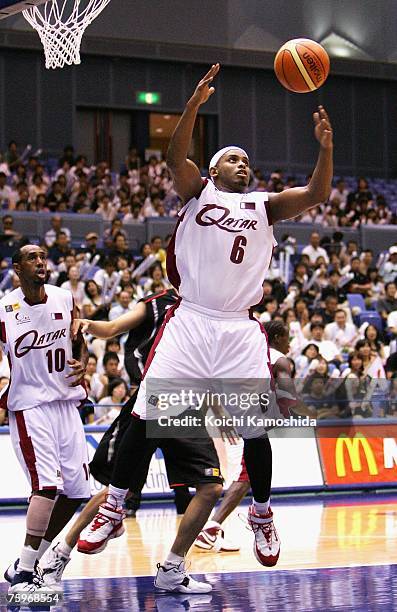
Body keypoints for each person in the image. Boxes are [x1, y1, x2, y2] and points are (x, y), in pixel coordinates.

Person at [80, 62, 333, 593]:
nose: (243, 164)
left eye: (247, 160)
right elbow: (175, 158)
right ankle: (116, 506)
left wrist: (325, 149)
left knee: (256, 432)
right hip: (192, 321)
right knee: (148, 414)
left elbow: (314, 195)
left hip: (239, 330)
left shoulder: (265, 206)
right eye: (233, 159)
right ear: (214, 170)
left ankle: (260, 512)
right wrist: (193, 105)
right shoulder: (199, 194)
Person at [34, 290, 192, 589]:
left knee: (210, 486)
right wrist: (87, 323)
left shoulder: (209, 303)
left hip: (187, 400)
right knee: (115, 486)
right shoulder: (158, 303)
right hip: (151, 398)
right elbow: (113, 327)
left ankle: (174, 568)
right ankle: (59, 554)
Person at [1, 245, 89, 595]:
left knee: (77, 490)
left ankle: (28, 560)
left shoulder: (65, 299)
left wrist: (82, 362)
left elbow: (78, 338)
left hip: (66, 404)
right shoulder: (5, 309)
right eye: (32, 258)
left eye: (43, 257)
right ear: (17, 268)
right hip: (30, 405)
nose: (41, 262)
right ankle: (24, 572)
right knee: (46, 487)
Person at [194, 321, 313, 553]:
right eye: (287, 338)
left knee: (243, 474)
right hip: (236, 421)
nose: (289, 343)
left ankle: (211, 527)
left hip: (219, 413)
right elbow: (287, 399)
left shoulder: (246, 350)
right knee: (246, 474)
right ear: (277, 337)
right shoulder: (278, 357)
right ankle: (211, 527)